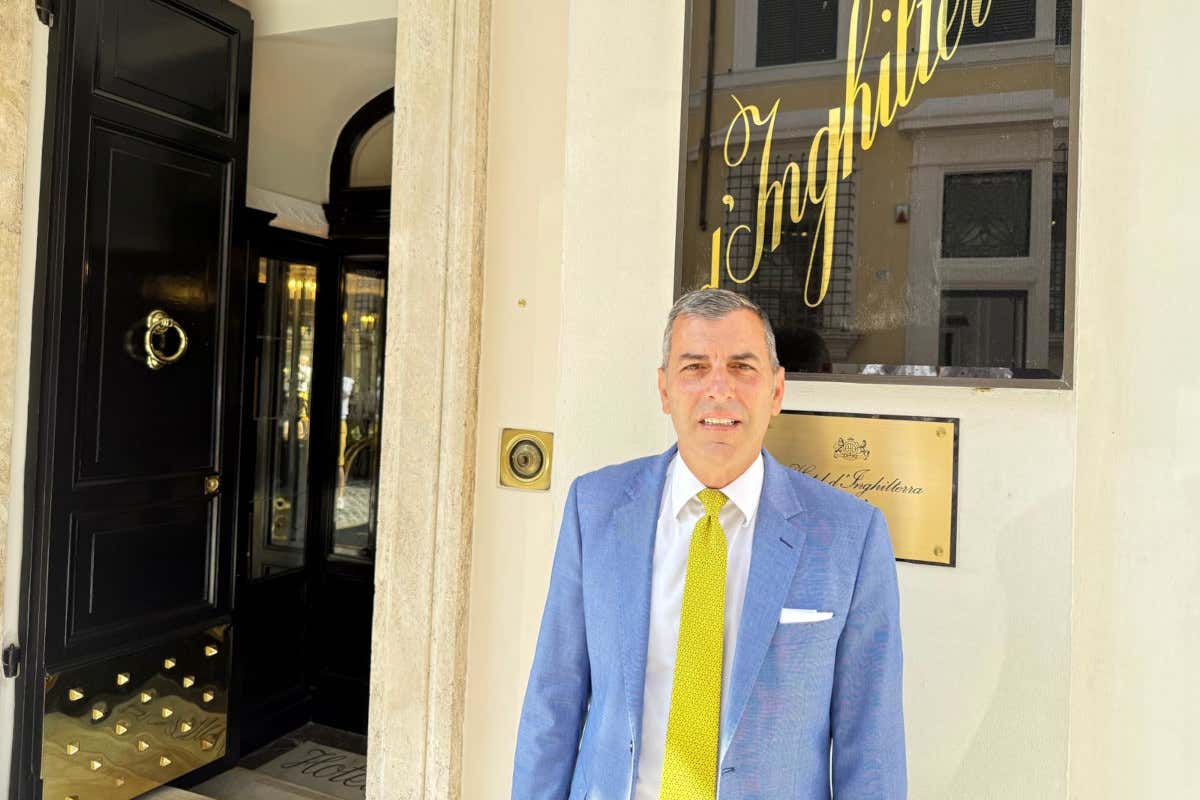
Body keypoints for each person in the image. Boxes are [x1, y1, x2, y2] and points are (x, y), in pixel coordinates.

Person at [512, 289, 905, 799]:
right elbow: (553, 702)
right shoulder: (596, 509)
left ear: (777, 390)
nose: (719, 388)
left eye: (742, 367)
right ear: (664, 390)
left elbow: (871, 748)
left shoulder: (851, 537)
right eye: (695, 367)